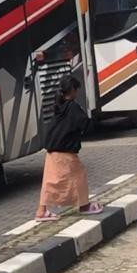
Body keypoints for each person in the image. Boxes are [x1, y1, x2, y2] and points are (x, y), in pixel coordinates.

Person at [36, 77, 104, 222]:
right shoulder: (73, 107)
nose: (77, 92)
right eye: (76, 89)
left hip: (52, 150)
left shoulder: (59, 105)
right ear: (72, 90)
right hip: (64, 150)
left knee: (50, 181)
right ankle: (84, 206)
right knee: (79, 175)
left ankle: (41, 211)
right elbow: (85, 125)